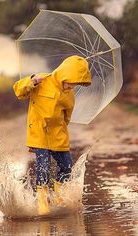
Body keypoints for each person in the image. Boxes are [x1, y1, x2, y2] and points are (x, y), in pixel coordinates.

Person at [13, 55, 91, 215]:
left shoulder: (69, 95)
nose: (72, 86)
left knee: (66, 166)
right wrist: (32, 80)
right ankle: (42, 198)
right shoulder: (42, 81)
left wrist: (61, 129)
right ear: (64, 75)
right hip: (39, 132)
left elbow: (67, 116)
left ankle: (58, 194)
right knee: (44, 166)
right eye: (71, 82)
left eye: (76, 84)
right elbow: (18, 91)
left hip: (58, 134)